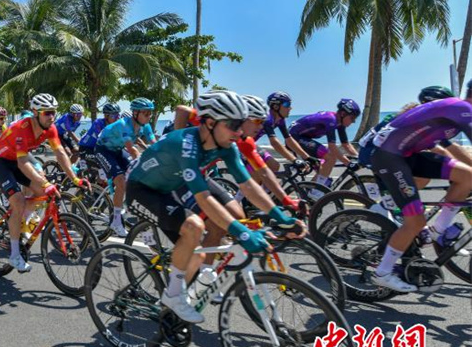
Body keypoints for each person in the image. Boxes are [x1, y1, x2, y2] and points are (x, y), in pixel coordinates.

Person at [126, 90, 303, 323]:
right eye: (232, 125)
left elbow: (248, 185)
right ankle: (172, 296)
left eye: (241, 124)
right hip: (141, 188)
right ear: (210, 123)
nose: (239, 131)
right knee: (194, 227)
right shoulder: (186, 144)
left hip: (171, 186)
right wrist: (241, 232)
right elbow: (204, 199)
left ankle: (184, 287)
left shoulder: (227, 145)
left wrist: (280, 215)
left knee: (198, 250)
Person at [368, 81, 472, 292]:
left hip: (409, 154)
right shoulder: (463, 109)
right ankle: (383, 272)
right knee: (415, 222)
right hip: (389, 156)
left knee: (468, 175)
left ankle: (438, 230)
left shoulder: (459, 110)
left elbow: (451, 150)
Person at [0, 93, 88, 272]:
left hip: (18, 159)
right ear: (36, 113)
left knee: (41, 194)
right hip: (0, 161)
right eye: (47, 113)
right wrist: (45, 183)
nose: (51, 117)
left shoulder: (51, 129)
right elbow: (22, 163)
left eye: (53, 113)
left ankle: (23, 220)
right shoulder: (22, 128)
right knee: (19, 201)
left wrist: (75, 178)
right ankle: (14, 256)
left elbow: (60, 153)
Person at [95, 98, 156, 237]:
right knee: (121, 181)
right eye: (146, 113)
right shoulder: (124, 125)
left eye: (150, 113)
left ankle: (122, 200)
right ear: (135, 113)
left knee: (136, 179)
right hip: (103, 149)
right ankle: (116, 221)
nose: (149, 116)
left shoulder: (146, 125)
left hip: (116, 150)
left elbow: (155, 144)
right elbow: (132, 149)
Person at [288, 99, 360, 195]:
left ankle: (307, 193)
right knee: (330, 158)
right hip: (294, 137)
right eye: (352, 118)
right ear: (343, 114)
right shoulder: (330, 119)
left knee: (322, 170)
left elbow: (346, 144)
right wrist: (348, 163)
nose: (354, 121)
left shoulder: (340, 123)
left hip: (304, 137)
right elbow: (332, 147)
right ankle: (316, 192)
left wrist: (359, 157)